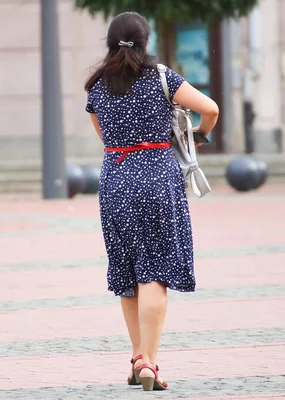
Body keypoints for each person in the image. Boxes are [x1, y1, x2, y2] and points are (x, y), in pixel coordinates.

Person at [84, 11, 219, 391]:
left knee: (127, 271)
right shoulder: (162, 78)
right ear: (146, 43)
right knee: (154, 272)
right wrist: (200, 136)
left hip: (116, 181)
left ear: (110, 43)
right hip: (158, 177)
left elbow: (105, 138)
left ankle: (138, 356)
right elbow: (210, 109)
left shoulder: (96, 88)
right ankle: (152, 363)